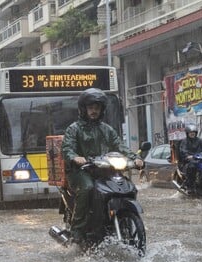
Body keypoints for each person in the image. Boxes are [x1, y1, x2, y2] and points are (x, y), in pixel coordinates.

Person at [61, 88, 143, 244]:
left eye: (97, 108)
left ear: (102, 110)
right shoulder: (74, 129)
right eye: (91, 108)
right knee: (88, 188)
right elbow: (67, 148)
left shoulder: (107, 129)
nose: (94, 111)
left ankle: (118, 218)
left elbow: (120, 147)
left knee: (125, 185)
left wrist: (135, 158)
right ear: (84, 109)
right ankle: (77, 230)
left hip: (103, 168)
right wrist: (75, 158)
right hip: (80, 171)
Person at [178, 123, 202, 193]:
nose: (192, 134)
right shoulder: (184, 141)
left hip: (200, 160)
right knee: (192, 167)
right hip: (188, 161)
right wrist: (188, 156)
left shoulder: (199, 141)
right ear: (187, 133)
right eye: (190, 133)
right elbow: (183, 150)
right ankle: (190, 186)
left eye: (194, 132)